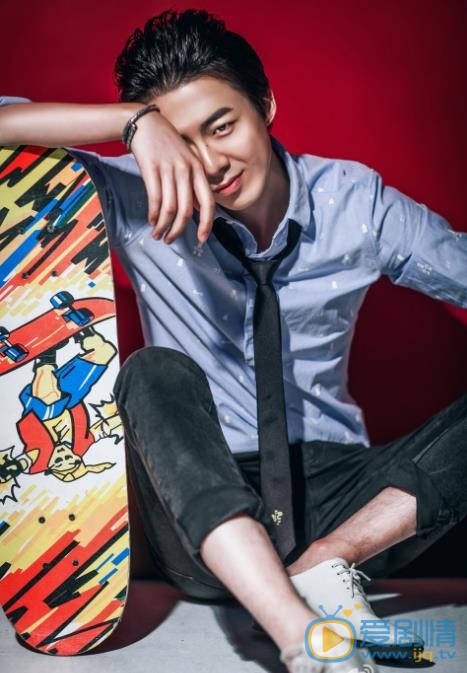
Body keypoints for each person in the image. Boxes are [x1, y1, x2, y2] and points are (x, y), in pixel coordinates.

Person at [1, 8, 466, 672]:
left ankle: (324, 565)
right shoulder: (135, 197)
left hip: (346, 496)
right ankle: (300, 639)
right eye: (181, 140)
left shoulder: (354, 203)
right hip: (201, 507)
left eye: (222, 127)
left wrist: (341, 544)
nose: (211, 163)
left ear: (265, 105)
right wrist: (130, 124)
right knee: (150, 369)